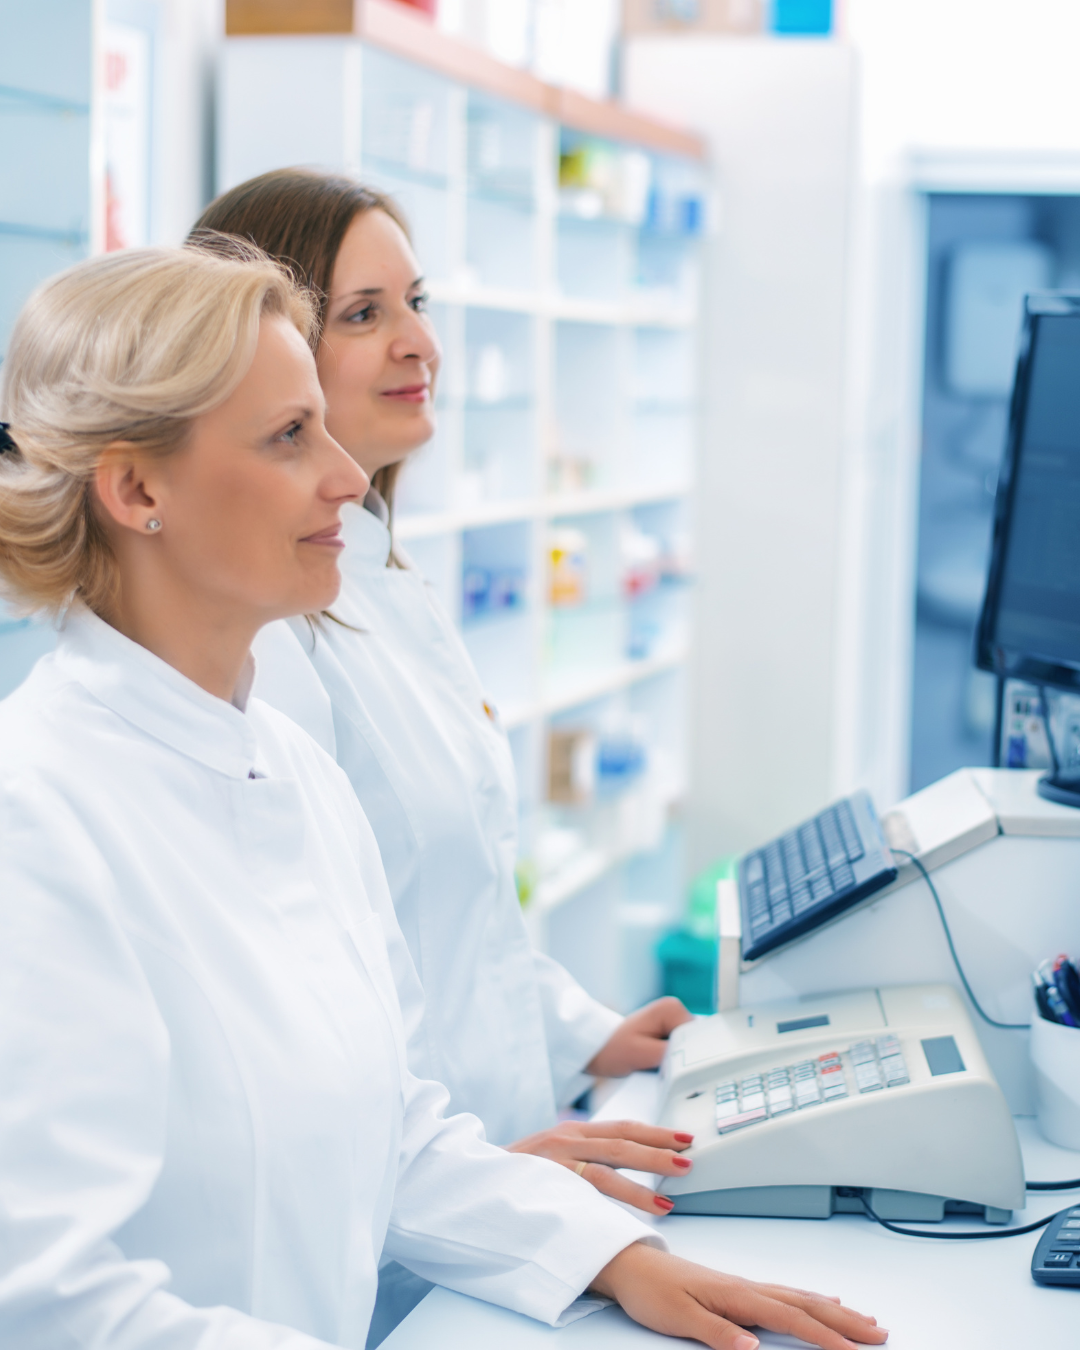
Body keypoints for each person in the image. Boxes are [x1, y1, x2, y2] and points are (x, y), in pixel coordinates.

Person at [0, 242, 887, 1350]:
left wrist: (617, 1259)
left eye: (323, 424)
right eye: (288, 436)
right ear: (137, 489)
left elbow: (398, 1134)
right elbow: (45, 1301)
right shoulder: (37, 818)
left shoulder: (291, 769)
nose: (342, 475)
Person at [192, 171, 694, 1211]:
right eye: (365, 315)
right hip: (398, 1214)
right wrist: (477, 1173)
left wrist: (586, 1032)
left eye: (417, 304)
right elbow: (307, 993)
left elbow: (451, 915)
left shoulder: (384, 579)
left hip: (494, 1162)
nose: (418, 343)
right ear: (262, 355)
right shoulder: (264, 636)